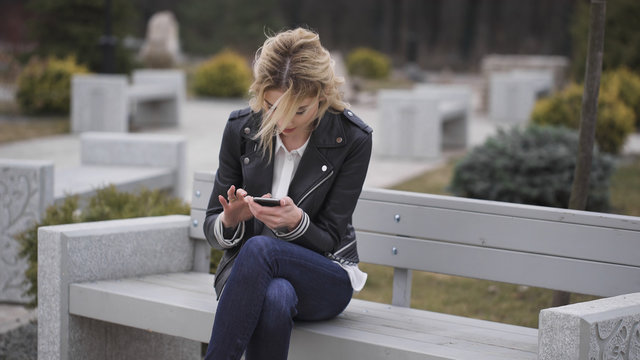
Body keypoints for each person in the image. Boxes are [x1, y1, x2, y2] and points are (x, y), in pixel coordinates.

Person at [203, 27, 373, 360]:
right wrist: (229, 221)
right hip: (246, 277)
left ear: (322, 97)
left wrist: (296, 223)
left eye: (299, 110)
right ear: (260, 94)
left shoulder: (351, 139)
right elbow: (210, 227)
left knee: (263, 248)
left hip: (325, 275)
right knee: (275, 296)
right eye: (271, 107)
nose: (283, 121)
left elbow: (329, 238)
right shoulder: (242, 130)